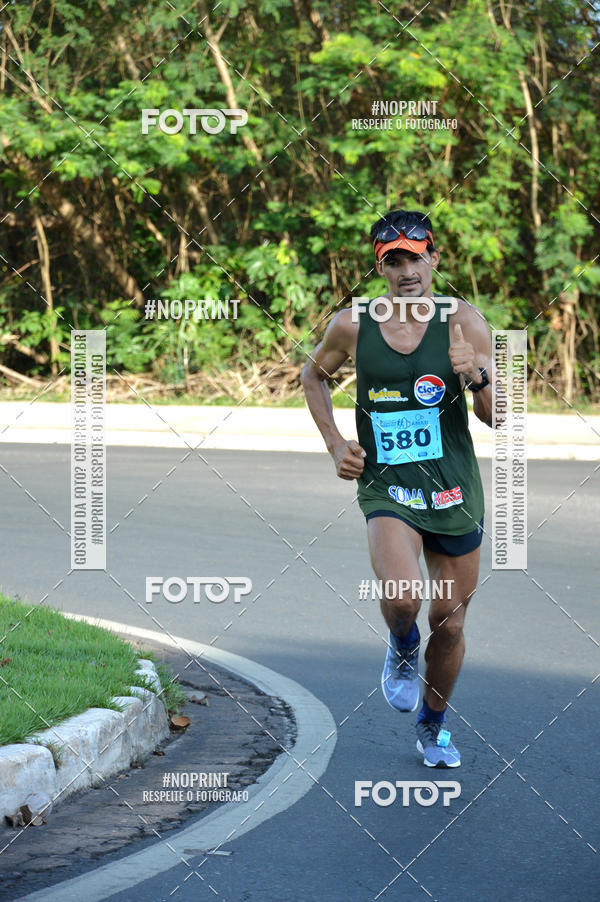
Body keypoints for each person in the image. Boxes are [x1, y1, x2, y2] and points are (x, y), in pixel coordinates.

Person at [301, 209, 495, 767]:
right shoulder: (352, 324)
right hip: (388, 486)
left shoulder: (466, 322)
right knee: (406, 601)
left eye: (415, 256)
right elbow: (313, 375)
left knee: (451, 623)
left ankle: (433, 728)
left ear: (434, 258)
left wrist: (475, 373)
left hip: (454, 488)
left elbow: (497, 415)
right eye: (393, 260)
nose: (406, 269)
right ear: (380, 267)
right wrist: (337, 443)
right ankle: (403, 645)